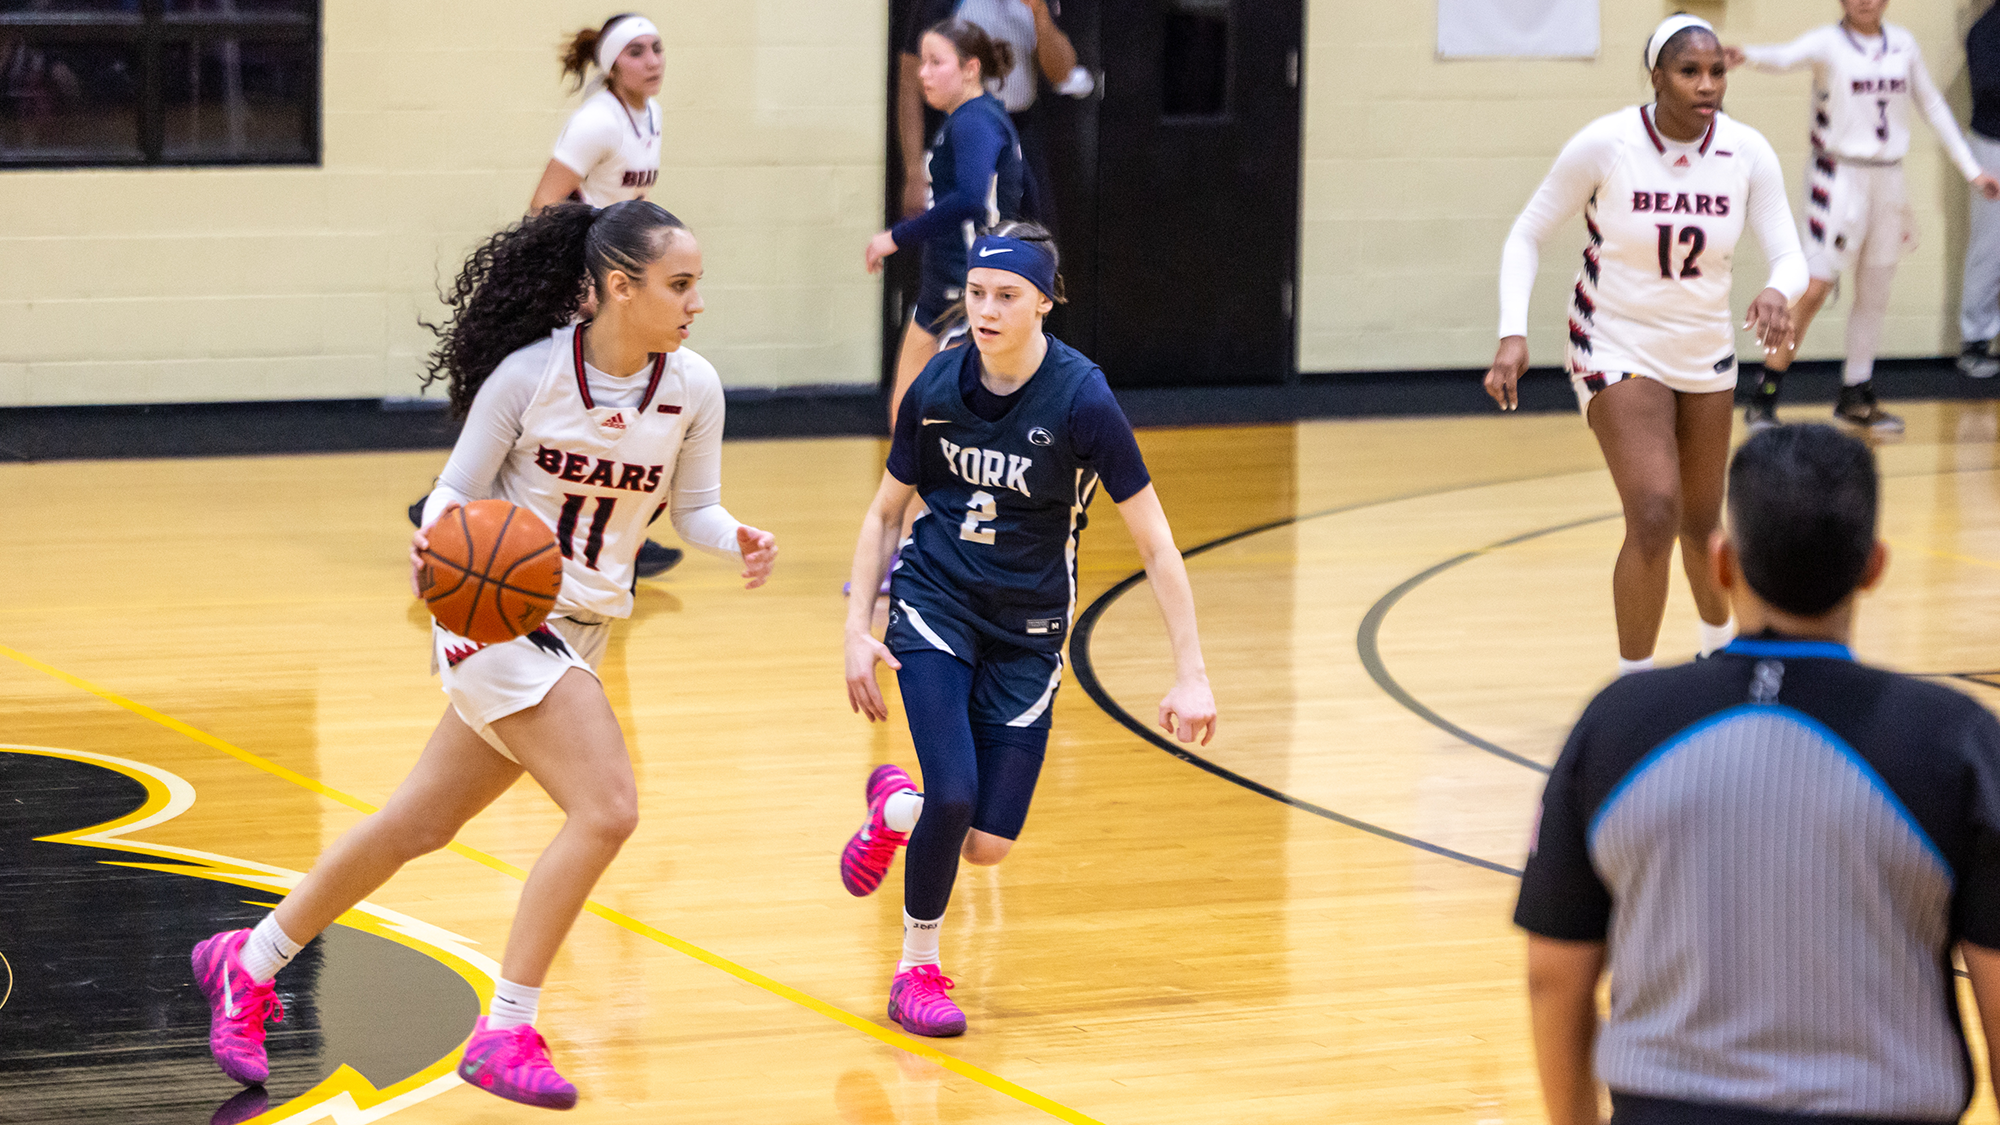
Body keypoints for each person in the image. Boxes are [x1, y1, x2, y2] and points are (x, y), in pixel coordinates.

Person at [191, 201, 777, 1109]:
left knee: (418, 825)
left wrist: (735, 533)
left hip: (583, 628)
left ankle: (251, 957)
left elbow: (694, 506)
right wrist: (435, 543)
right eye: (681, 284)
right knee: (608, 808)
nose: (697, 301)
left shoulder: (693, 385)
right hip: (496, 622)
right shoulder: (529, 377)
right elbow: (451, 494)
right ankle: (508, 1026)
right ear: (620, 287)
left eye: (697, 283)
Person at [1515, 423, 2000, 1125]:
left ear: (1721, 563)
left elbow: (1552, 977)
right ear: (1873, 566)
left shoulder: (1619, 724)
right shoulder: (1954, 738)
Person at [837, 222, 1216, 1037]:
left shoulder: (1082, 399)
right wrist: (856, 623)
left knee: (985, 843)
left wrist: (1193, 671)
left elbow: (1154, 541)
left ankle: (895, 811)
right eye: (976, 293)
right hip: (935, 604)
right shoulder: (937, 387)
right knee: (959, 790)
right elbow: (883, 515)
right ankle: (917, 968)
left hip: (1029, 629)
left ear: (1045, 303)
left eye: (1007, 295)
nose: (986, 309)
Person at [1486, 15, 1806, 676]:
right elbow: (1526, 233)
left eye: (1717, 70)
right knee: (1655, 512)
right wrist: (1511, 331)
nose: (1707, 83)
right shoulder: (1606, 144)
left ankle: (1722, 654)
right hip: (1612, 340)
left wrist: (1779, 290)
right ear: (1656, 75)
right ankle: (1634, 689)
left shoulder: (1748, 152)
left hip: (1704, 348)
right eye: (1690, 71)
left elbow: (1789, 255)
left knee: (1700, 523)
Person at [1725, 0, 2000, 433]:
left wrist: (1972, 170)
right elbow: (1784, 56)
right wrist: (1747, 56)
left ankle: (1856, 393)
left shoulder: (1903, 45)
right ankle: (1766, 393)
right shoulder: (1828, 43)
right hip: (1836, 177)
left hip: (1887, 179)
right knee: (1813, 287)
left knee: (1875, 291)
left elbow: (1933, 106)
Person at [868, 19, 1025, 426]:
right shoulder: (968, 117)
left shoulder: (975, 120)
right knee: (907, 416)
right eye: (922, 61)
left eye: (937, 62)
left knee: (935, 424)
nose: (923, 72)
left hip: (969, 288)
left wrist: (895, 237)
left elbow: (972, 199)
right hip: (944, 286)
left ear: (970, 69)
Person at [896, 0, 1084, 227]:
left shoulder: (1037, 4)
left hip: (1019, 133)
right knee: (963, 244)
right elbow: (908, 81)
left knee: (1031, 244)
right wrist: (914, 173)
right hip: (961, 133)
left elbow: (1062, 73)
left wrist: (1040, 13)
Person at [1961, 0, 2000, 379]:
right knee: (1990, 246)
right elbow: (1989, 87)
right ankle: (1975, 340)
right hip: (1993, 146)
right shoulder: (1986, 30)